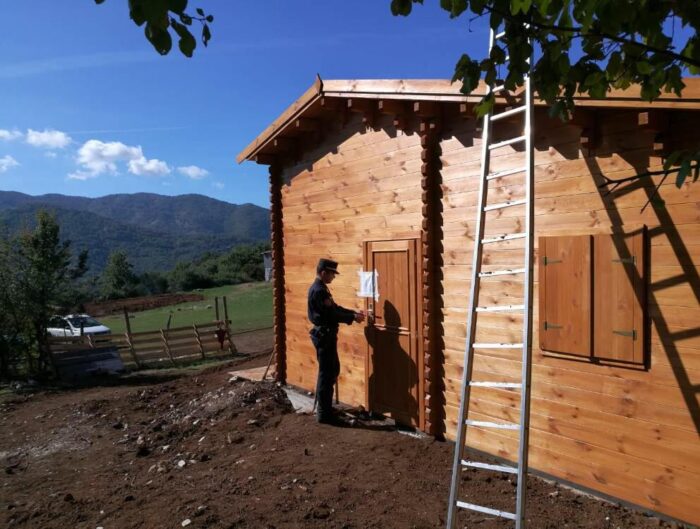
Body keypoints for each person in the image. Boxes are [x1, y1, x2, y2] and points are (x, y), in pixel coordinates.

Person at [308, 258, 365, 425]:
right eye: (332, 273)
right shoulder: (319, 291)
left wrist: (353, 314)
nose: (333, 277)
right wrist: (352, 317)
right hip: (324, 336)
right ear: (323, 272)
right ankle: (324, 413)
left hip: (327, 336)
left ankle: (325, 408)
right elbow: (331, 315)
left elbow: (335, 309)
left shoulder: (321, 289)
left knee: (332, 370)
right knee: (327, 374)